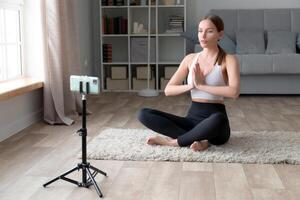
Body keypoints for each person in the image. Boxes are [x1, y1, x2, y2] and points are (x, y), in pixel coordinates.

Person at [138, 14, 240, 151]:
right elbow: (169, 90)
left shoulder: (229, 59)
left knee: (218, 118)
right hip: (191, 121)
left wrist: (202, 85)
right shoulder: (190, 59)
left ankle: (172, 143)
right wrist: (191, 85)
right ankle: (201, 140)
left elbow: (234, 92)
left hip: (217, 125)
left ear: (220, 34)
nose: (203, 35)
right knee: (144, 113)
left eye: (209, 31)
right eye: (200, 31)